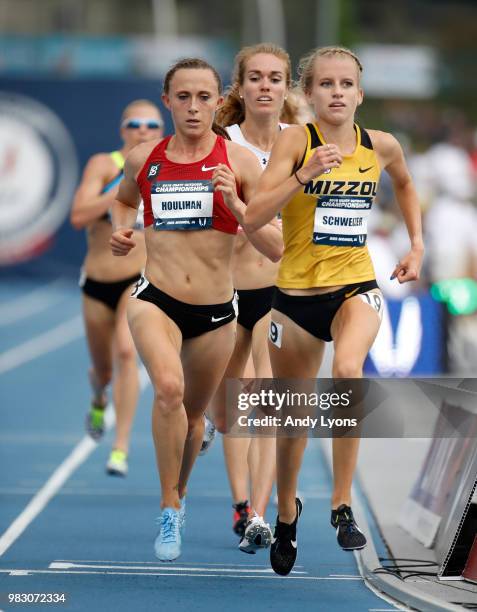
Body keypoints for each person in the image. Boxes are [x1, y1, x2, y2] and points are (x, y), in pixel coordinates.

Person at [244, 46, 424, 576]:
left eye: (347, 84)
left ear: (360, 94)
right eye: (326, 84)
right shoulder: (294, 140)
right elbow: (254, 216)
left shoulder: (381, 145)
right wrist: (304, 175)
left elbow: (407, 185)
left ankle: (342, 507)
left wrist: (416, 245)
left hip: (355, 287)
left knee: (348, 373)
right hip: (295, 298)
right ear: (310, 94)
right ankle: (286, 515)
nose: (338, 92)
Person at [110, 58, 283, 562]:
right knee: (167, 389)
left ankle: (179, 494)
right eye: (182, 97)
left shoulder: (242, 163)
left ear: (218, 100)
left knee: (193, 420)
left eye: (203, 97)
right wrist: (123, 230)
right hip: (155, 299)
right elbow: (124, 203)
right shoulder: (144, 159)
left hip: (214, 312)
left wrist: (240, 205)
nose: (193, 107)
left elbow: (275, 248)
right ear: (167, 101)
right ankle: (168, 506)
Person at [208, 43, 298, 555]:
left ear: (287, 88)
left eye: (276, 78)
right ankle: (243, 501)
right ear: (239, 88)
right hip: (227, 287)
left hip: (284, 286)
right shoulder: (222, 144)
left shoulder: (301, 142)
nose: (266, 86)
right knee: (231, 409)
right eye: (256, 78)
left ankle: (258, 512)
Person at [70, 100, 164, 476]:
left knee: (128, 353)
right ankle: (98, 397)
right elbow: (78, 216)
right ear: (122, 130)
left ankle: (119, 448)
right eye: (134, 123)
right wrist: (122, 187)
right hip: (96, 281)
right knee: (104, 370)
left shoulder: (165, 169)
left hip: (136, 278)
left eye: (151, 124)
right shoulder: (103, 164)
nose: (143, 130)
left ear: (161, 130)